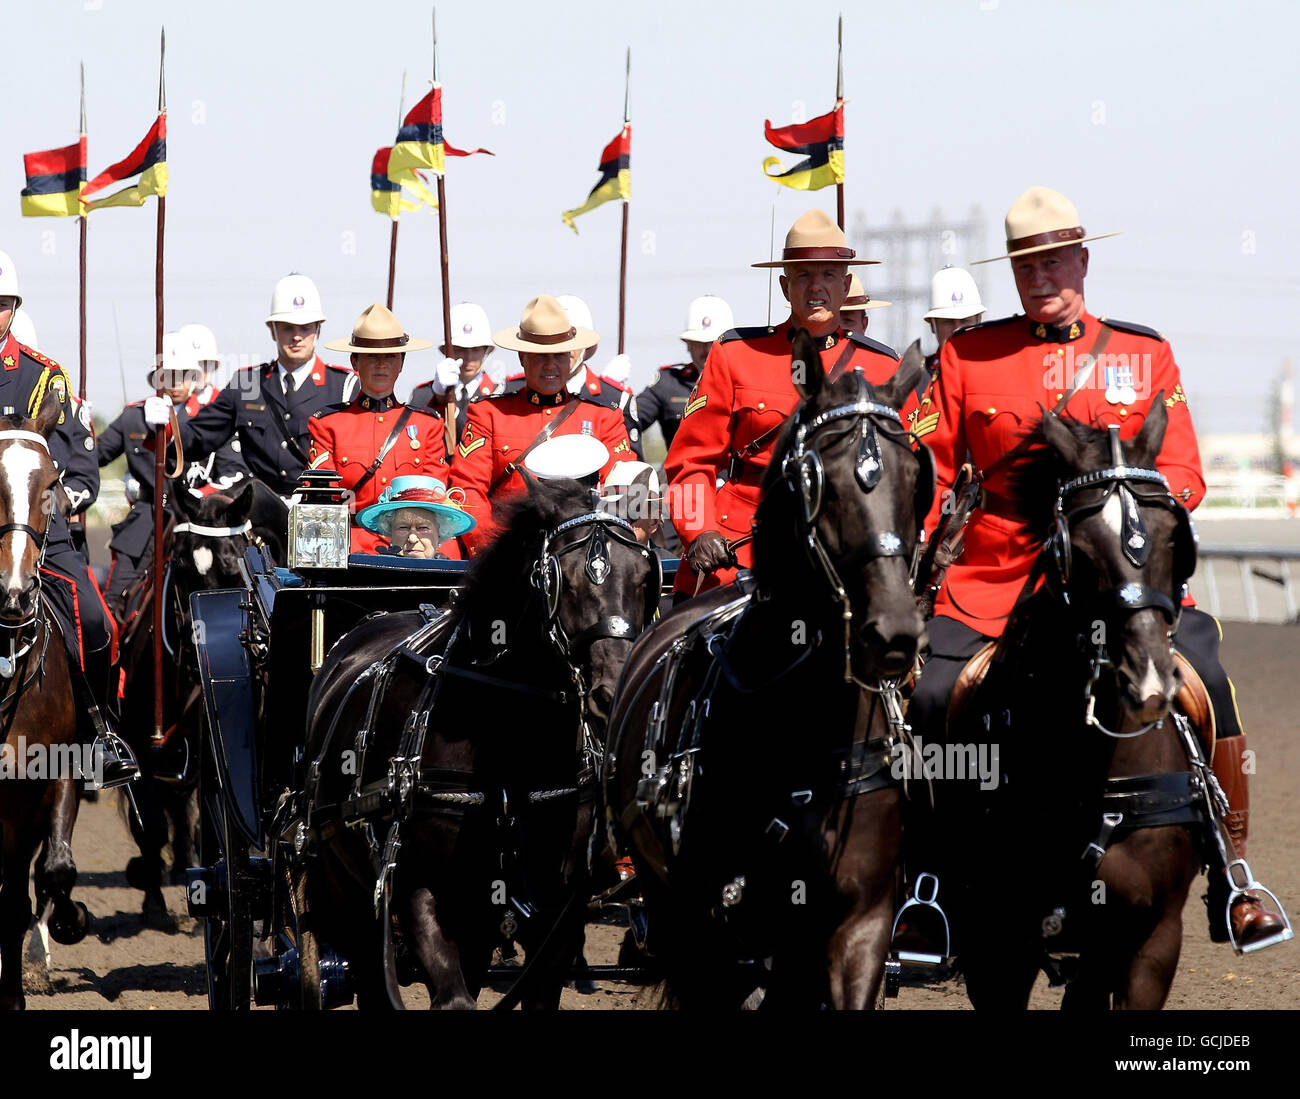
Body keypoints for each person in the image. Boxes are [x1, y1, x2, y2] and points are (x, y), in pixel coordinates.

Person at [908, 184, 1288, 950]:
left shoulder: (1143, 355)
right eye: (1027, 264)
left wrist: (1135, 514)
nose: (1042, 276)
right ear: (1013, 273)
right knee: (931, 695)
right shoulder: (966, 356)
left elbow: (1183, 469)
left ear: (1082, 258)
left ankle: (1233, 875)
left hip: (1118, 580)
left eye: (1055, 259)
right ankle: (931, 884)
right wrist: (921, 542)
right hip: (996, 579)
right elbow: (932, 473)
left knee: (1210, 681)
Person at [664, 208, 904, 596]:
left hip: (848, 551)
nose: (816, 288)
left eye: (828, 275)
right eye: (803, 275)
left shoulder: (882, 367)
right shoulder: (735, 354)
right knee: (685, 646)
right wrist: (699, 532)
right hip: (740, 548)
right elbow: (690, 462)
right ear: (783, 286)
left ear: (845, 287)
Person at [0, 248, 133, 785]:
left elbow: (81, 472)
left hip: (37, 536)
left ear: (12, 307)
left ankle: (99, 736)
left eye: (0, 303)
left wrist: (52, 504)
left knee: (98, 626)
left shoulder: (42, 376)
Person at [449, 294, 633, 556]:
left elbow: (626, 490)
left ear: (571, 357)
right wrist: (492, 551)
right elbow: (467, 490)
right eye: (539, 355)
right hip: (510, 556)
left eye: (559, 355)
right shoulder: (487, 414)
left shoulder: (604, 419)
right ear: (522, 357)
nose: (550, 365)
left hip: (585, 555)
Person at [147, 273, 358, 503]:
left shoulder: (343, 388)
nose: (297, 336)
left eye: (305, 327)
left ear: (318, 329)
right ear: (272, 330)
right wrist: (165, 428)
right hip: (260, 517)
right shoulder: (247, 383)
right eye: (288, 327)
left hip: (318, 513)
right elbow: (198, 438)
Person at [306, 304, 453, 554]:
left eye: (390, 356)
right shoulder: (327, 424)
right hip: (350, 551)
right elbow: (324, 503)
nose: (381, 365)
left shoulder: (427, 425)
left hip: (412, 549)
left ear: (402, 362)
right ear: (355, 361)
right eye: (372, 356)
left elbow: (432, 498)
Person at [98, 336, 207, 615]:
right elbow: (94, 455)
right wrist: (76, 429)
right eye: (167, 375)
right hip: (147, 517)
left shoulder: (209, 416)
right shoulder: (134, 416)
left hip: (195, 519)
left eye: (182, 375)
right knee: (114, 599)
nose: (174, 382)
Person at [635, 295, 735, 451]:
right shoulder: (668, 383)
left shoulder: (745, 382)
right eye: (700, 343)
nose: (708, 350)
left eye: (715, 343)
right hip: (682, 473)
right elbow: (629, 420)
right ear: (687, 344)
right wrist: (612, 394)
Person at [555, 294, 644, 459]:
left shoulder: (616, 399)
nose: (564, 350)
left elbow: (630, 471)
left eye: (571, 341)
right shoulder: (516, 391)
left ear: (588, 345)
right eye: (555, 342)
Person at [175, 321, 252, 494]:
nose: (198, 371)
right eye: (191, 364)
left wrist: (200, 495)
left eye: (204, 364)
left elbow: (232, 473)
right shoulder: (161, 411)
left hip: (209, 508)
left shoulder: (226, 410)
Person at [409, 302, 498, 449]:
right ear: (446, 351)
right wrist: (437, 398)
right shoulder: (423, 396)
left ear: (486, 350)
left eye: (475, 349)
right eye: (460, 349)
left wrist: (448, 404)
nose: (468, 357)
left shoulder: (499, 395)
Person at [907, 266, 986, 406]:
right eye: (947, 322)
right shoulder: (913, 381)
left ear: (978, 320)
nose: (957, 329)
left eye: (965, 321)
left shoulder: (996, 372)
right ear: (932, 325)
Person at [355, 475, 475, 558]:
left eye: (423, 528)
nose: (412, 538)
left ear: (440, 532)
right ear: (389, 530)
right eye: (403, 527)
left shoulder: (455, 579)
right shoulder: (374, 575)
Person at [600, 460, 665, 547]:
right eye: (612, 513)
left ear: (653, 521)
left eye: (631, 513)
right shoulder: (590, 558)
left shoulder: (670, 560)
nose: (619, 521)